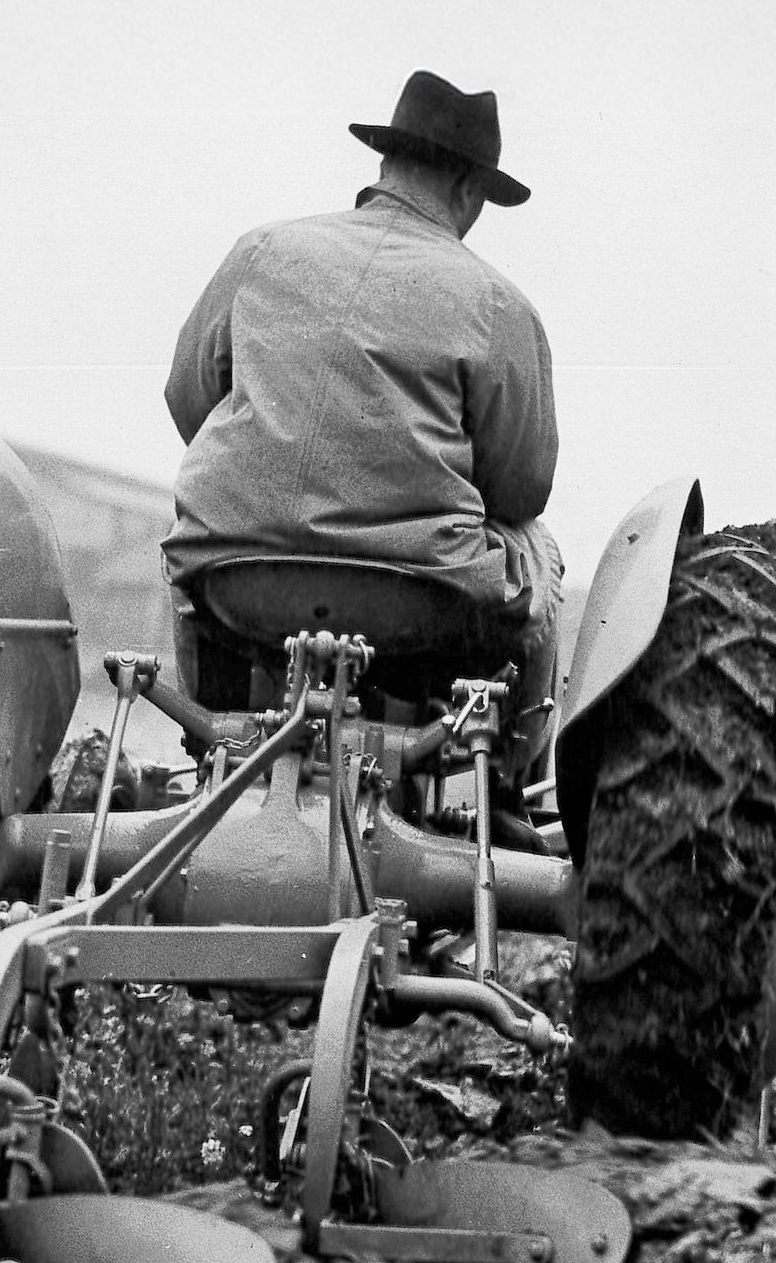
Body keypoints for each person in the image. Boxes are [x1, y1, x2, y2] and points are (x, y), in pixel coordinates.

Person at [161, 70, 560, 763]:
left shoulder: (260, 251)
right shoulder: (499, 306)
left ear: (385, 162)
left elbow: (187, 398)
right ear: (470, 191)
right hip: (418, 600)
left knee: (190, 531)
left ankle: (215, 751)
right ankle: (514, 793)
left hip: (239, 581)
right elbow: (521, 488)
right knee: (539, 552)